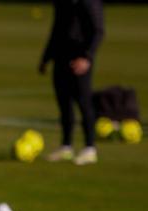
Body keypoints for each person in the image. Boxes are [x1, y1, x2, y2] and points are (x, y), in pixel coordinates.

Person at [39, 0, 104, 165]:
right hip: (61, 54)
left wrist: (87, 57)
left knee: (83, 101)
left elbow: (98, 31)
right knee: (63, 102)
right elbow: (57, 29)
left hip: (79, 56)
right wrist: (46, 58)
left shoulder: (89, 2)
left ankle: (90, 148)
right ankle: (66, 146)